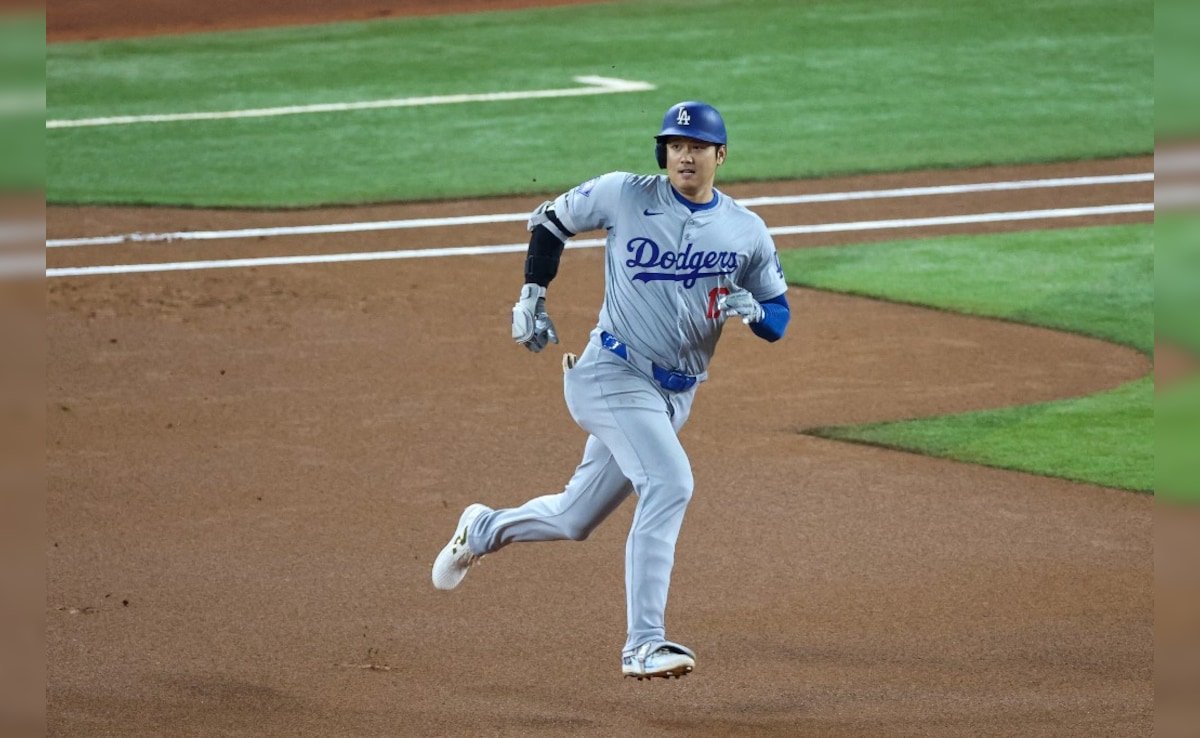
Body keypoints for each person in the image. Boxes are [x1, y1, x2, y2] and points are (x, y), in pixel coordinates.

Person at [431, 101, 790, 680]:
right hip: (611, 374)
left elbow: (778, 315)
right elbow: (550, 220)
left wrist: (756, 314)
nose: (685, 156)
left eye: (697, 147)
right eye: (675, 146)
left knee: (575, 518)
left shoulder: (745, 230)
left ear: (720, 155)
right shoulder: (625, 194)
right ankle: (643, 645)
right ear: (663, 153)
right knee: (670, 482)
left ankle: (483, 528)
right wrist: (532, 295)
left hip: (675, 397)